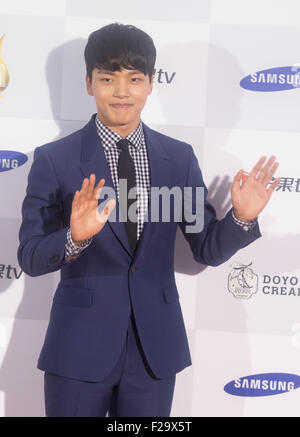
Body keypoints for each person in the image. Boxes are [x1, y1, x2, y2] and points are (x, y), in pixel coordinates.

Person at [17, 23, 280, 417]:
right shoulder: (55, 160)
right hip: (78, 351)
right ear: (89, 83)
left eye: (134, 79)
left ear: (151, 84)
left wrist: (240, 218)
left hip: (154, 352)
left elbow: (205, 248)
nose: (122, 92)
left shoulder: (178, 157)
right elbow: (30, 257)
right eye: (108, 79)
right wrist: (73, 237)